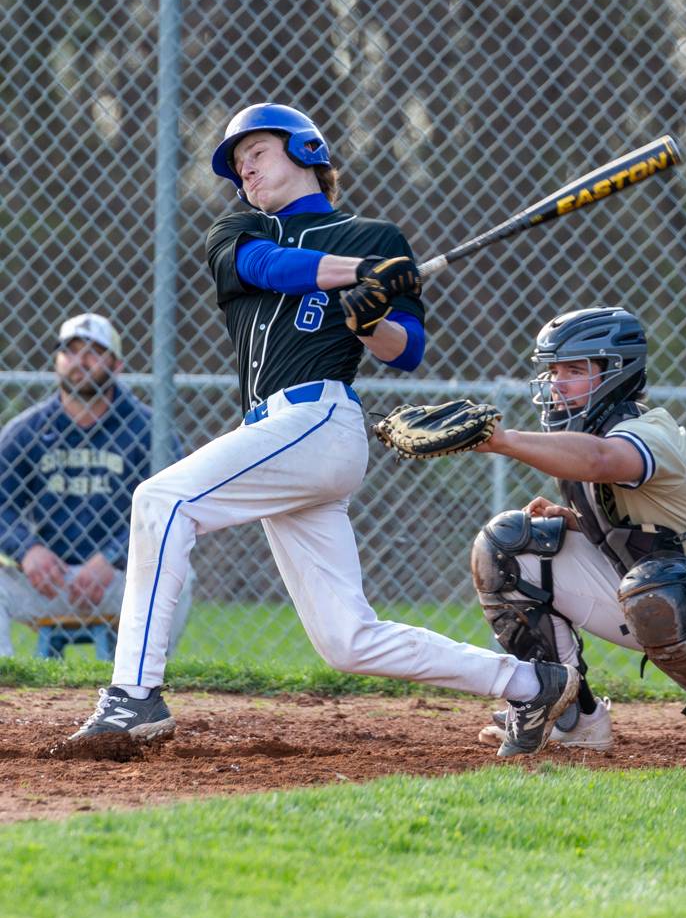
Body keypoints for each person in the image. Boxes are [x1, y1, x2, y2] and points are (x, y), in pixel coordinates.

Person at [66, 101, 578, 757]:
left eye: (259, 152)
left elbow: (405, 349)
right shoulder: (238, 229)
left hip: (319, 419)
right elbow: (266, 268)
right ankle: (533, 682)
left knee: (160, 501)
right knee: (345, 640)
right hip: (278, 436)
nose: (244, 168)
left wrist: (369, 319)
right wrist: (354, 275)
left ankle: (133, 695)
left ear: (307, 150)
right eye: (236, 162)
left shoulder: (377, 237)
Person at [470, 305, 686, 753]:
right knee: (508, 544)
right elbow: (641, 526)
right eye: (552, 371)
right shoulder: (582, 439)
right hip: (669, 590)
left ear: (616, 372)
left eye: (574, 370)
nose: (555, 384)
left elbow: (605, 459)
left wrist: (501, 441)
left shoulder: (649, 429)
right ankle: (571, 715)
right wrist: (577, 523)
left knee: (655, 582)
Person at [0, 313, 192, 660]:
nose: (81, 361)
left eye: (94, 351)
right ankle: (7, 688)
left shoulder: (147, 429)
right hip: (48, 579)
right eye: (71, 351)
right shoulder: (28, 429)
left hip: (122, 580)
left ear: (116, 364)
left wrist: (114, 558)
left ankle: (144, 677)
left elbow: (171, 506)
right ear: (57, 361)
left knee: (180, 573)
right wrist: (27, 550)